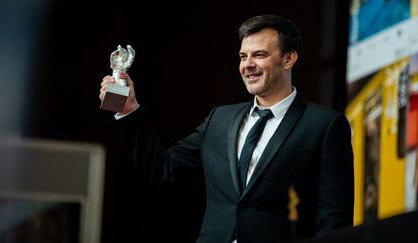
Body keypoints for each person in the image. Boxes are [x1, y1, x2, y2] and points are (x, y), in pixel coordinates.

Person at [99, 14, 354, 243]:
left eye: (260, 55)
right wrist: (127, 109)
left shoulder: (325, 125)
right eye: (243, 56)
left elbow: (333, 221)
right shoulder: (219, 119)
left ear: (289, 58)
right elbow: (161, 168)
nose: (248, 65)